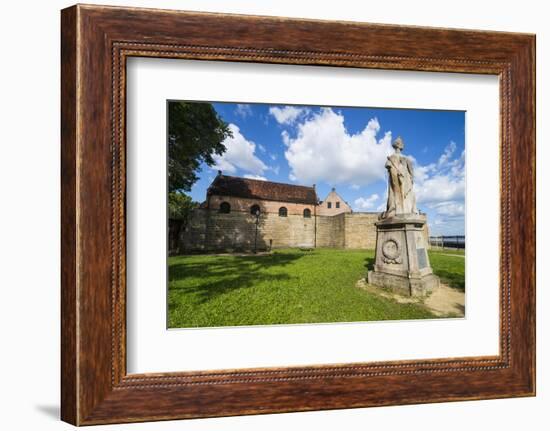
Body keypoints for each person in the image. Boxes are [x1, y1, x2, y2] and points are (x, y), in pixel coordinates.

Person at [381, 136, 418, 219]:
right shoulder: (396, 158)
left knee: (404, 196)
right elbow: (411, 172)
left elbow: (410, 172)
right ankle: (400, 210)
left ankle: (402, 210)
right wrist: (410, 178)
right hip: (399, 181)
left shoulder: (401, 158)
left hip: (404, 180)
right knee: (399, 196)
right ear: (400, 146)